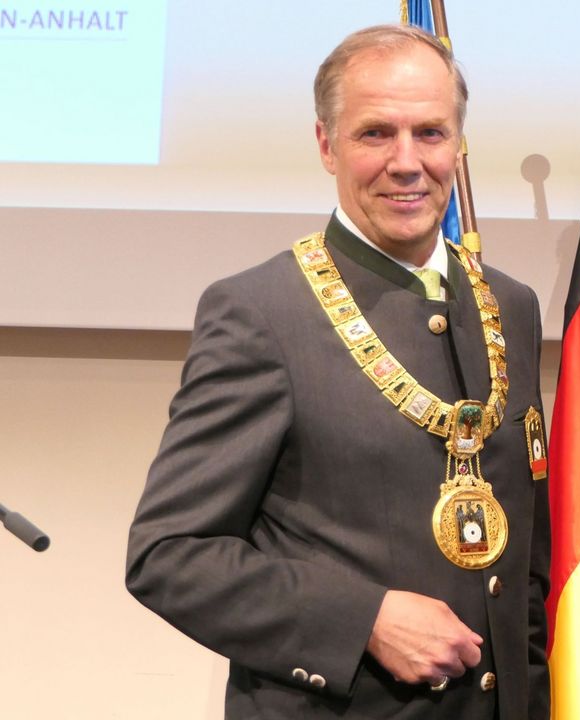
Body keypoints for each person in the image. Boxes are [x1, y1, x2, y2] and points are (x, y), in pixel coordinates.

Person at [126, 25, 550, 719]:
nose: (407, 162)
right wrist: (364, 619)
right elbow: (169, 555)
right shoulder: (261, 312)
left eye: (431, 134)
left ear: (459, 144)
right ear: (327, 145)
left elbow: (525, 563)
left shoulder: (511, 304)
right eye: (376, 134)